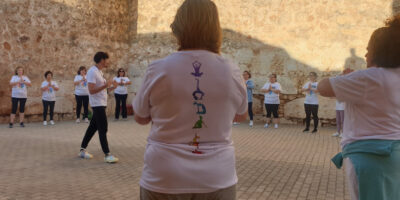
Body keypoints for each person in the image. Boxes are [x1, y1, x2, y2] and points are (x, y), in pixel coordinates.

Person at [133, 0, 247, 199]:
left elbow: (141, 118)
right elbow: (241, 116)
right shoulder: (231, 71)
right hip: (217, 176)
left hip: (165, 176)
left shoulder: (157, 69)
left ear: (178, 28)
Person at [319, 15, 400, 200]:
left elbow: (323, 87)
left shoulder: (368, 78)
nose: (365, 55)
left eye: (367, 50)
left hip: (369, 159)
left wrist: (346, 78)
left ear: (378, 52)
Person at [78, 52, 119, 163]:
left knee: (92, 128)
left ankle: (82, 150)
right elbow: (91, 90)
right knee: (103, 128)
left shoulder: (99, 72)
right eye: (107, 59)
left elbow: (103, 90)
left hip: (101, 103)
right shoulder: (92, 72)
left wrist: (112, 88)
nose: (108, 62)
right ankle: (107, 154)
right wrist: (106, 85)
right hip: (97, 104)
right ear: (102, 60)